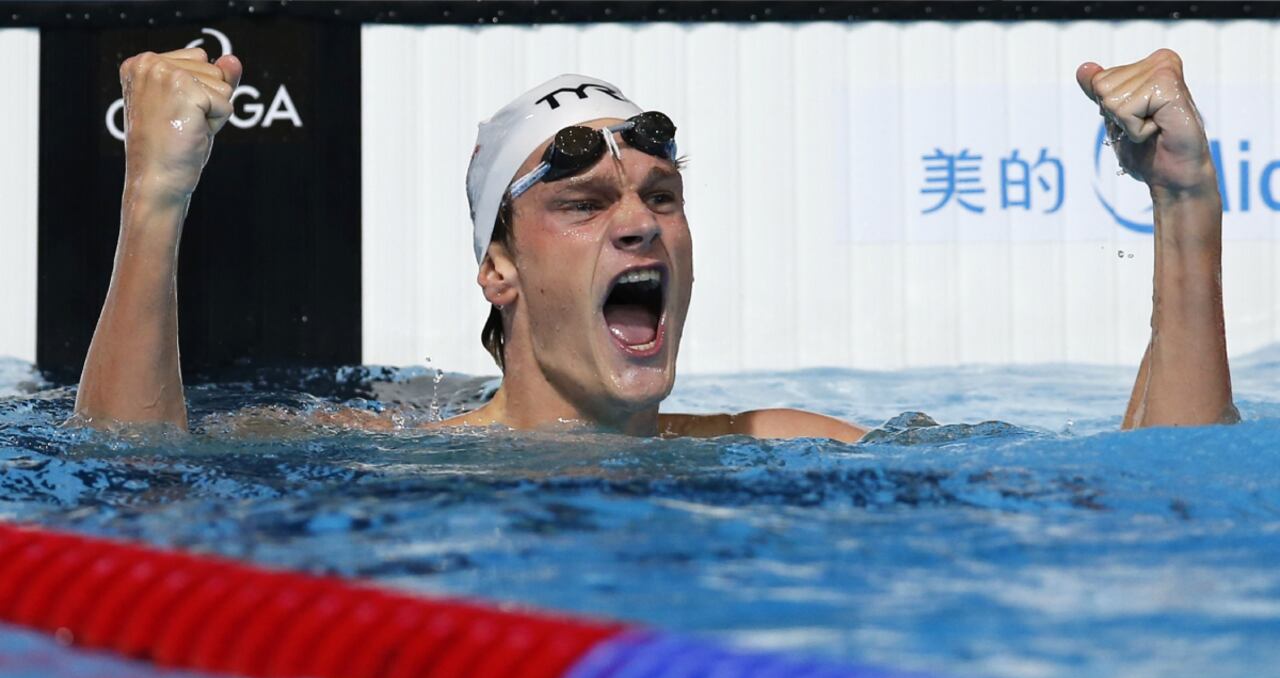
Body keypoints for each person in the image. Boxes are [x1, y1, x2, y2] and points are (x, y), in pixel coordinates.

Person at [71, 47, 1238, 442]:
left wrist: (1183, 208)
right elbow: (130, 478)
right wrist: (154, 201)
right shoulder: (377, 454)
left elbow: (1151, 494)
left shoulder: (783, 447)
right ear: (499, 267)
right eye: (581, 207)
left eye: (662, 197)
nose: (639, 220)